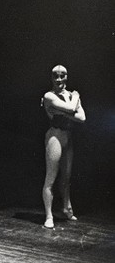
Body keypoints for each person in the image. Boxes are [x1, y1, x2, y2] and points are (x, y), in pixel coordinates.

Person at [41, 65, 86, 229]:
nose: (59, 79)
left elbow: (82, 118)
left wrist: (67, 110)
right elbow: (73, 109)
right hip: (55, 136)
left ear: (66, 77)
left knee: (66, 177)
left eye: (62, 76)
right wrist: (75, 98)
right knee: (50, 178)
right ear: (51, 78)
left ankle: (67, 209)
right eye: (55, 76)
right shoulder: (48, 96)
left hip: (68, 136)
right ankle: (49, 216)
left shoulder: (69, 95)